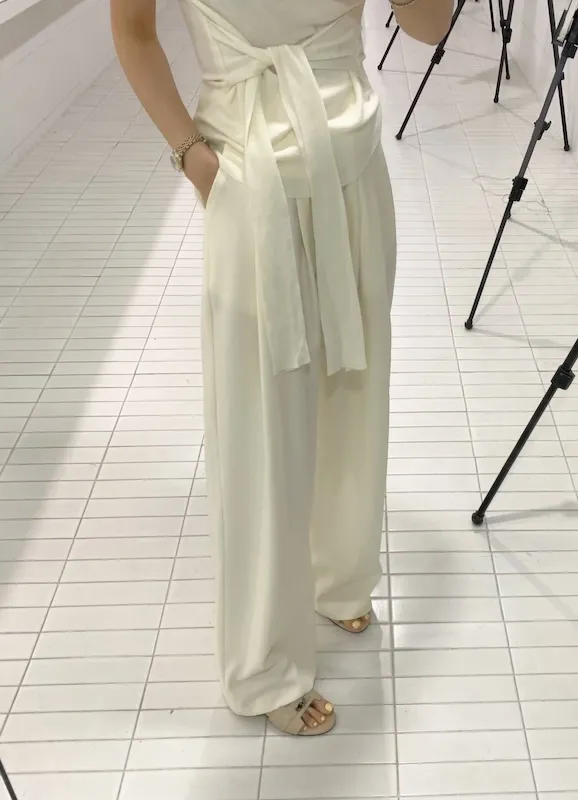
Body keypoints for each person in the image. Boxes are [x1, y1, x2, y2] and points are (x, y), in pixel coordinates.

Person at [110, 0, 454, 736]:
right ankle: (264, 660)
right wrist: (190, 154)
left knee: (356, 388)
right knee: (262, 424)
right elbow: (133, 30)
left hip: (353, 162)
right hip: (247, 168)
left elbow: (431, 25)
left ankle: (340, 576)